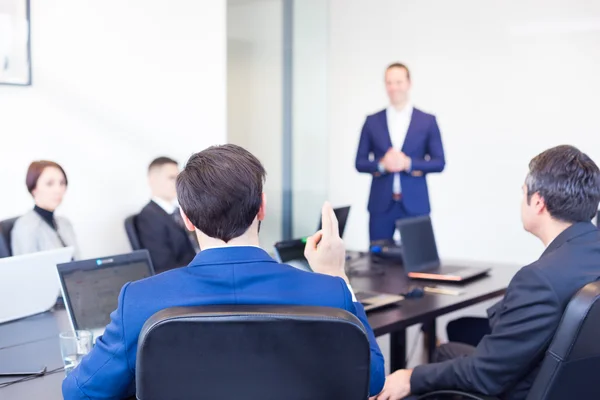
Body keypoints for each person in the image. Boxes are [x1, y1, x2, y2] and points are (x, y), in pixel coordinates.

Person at [63, 144, 385, 399]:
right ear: (262, 206)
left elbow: (79, 392)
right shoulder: (330, 292)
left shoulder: (138, 301)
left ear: (186, 218)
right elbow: (372, 379)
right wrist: (336, 274)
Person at [372, 145, 600, 400]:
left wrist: (410, 377)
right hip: (576, 386)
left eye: (523, 191)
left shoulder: (539, 279)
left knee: (425, 371)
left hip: (523, 389)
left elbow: (484, 375)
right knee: (460, 333)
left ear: (537, 202)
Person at [355, 62, 445, 242]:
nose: (393, 87)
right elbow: (360, 162)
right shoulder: (372, 121)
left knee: (419, 263)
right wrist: (382, 164)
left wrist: (408, 163)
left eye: (398, 82)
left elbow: (439, 162)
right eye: (389, 82)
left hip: (415, 204)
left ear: (408, 83)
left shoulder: (427, 120)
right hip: (381, 205)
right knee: (377, 262)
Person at [136, 157, 199, 273]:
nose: (177, 182)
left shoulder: (180, 210)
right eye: (171, 178)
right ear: (153, 180)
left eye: (179, 177)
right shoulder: (149, 217)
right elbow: (163, 265)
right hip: (186, 275)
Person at [11, 160, 80, 259]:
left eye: (62, 183)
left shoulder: (65, 223)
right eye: (49, 183)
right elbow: (28, 271)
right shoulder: (25, 227)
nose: (58, 189)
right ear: (34, 188)